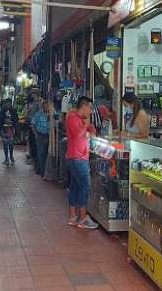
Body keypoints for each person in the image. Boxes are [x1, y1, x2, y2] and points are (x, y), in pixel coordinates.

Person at [65, 96, 98, 229]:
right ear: (84, 106)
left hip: (79, 157)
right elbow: (79, 133)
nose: (91, 112)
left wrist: (89, 127)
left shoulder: (80, 119)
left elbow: (92, 131)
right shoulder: (72, 118)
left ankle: (73, 216)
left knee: (75, 186)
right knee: (85, 186)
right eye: (90, 108)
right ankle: (83, 218)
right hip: (77, 158)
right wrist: (86, 125)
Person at [30, 100, 50, 178]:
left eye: (47, 106)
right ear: (42, 107)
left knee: (47, 154)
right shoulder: (38, 114)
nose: (46, 108)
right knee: (41, 153)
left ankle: (46, 170)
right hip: (40, 136)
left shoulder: (52, 114)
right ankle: (42, 171)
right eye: (44, 106)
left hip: (49, 136)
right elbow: (32, 125)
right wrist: (36, 134)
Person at [0, 98, 19, 166]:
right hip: (4, 129)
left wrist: (13, 123)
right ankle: (6, 158)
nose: (8, 104)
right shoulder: (2, 111)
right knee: (5, 144)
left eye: (9, 103)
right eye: (7, 103)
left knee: (11, 144)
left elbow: (16, 119)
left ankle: (11, 156)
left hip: (11, 129)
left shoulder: (13, 111)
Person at [25, 89, 41, 168]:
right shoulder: (32, 103)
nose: (31, 95)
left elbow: (36, 114)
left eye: (33, 94)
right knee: (31, 141)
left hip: (35, 125)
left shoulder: (38, 103)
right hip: (31, 123)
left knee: (34, 142)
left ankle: (35, 159)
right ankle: (33, 158)